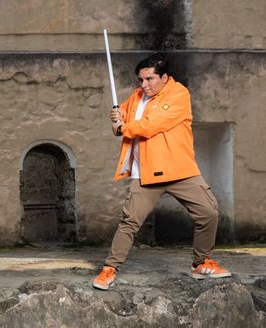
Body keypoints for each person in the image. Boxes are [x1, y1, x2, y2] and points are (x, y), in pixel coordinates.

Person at [92, 53, 231, 290]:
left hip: (180, 169)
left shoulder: (178, 94)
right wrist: (115, 119)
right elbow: (120, 125)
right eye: (141, 80)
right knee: (129, 222)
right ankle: (109, 269)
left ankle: (201, 262)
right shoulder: (136, 97)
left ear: (165, 77)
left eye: (149, 79)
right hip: (145, 172)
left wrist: (123, 127)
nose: (144, 85)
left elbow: (151, 125)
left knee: (208, 211)